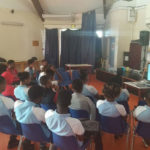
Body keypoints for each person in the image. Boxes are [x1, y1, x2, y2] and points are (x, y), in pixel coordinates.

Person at [14, 85, 51, 150]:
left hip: (25, 133)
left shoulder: (17, 104)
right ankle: (42, 145)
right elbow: (50, 123)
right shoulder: (39, 111)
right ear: (39, 98)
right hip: (42, 136)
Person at [0, 76, 19, 149]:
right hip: (7, 128)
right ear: (1, 85)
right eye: (5, 83)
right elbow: (16, 111)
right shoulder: (7, 100)